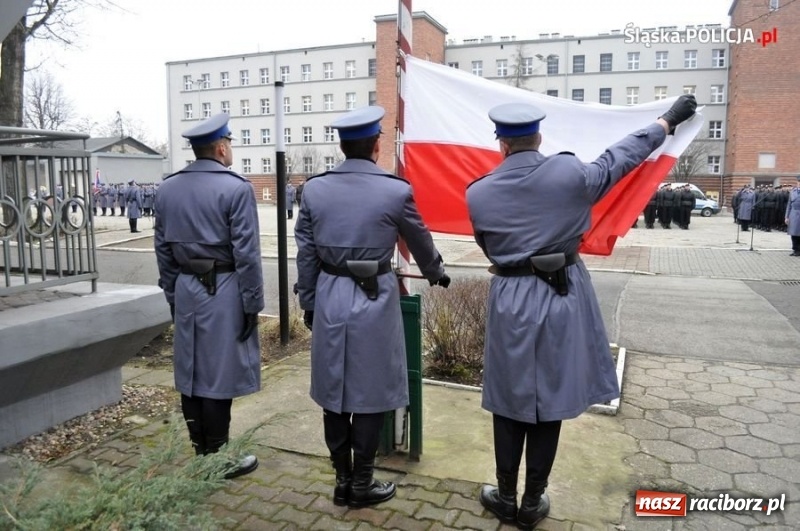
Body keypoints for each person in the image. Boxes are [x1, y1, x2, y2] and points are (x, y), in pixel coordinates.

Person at [465, 95, 696, 529]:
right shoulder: (569, 173)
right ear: (539, 137)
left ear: (501, 143)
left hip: (512, 296)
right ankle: (533, 502)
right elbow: (622, 156)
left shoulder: (478, 192)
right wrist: (667, 122)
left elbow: (487, 245)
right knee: (548, 399)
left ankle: (506, 495)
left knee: (510, 400)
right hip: (561, 294)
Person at [294, 105, 451, 509]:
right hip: (374, 298)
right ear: (377, 145)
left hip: (330, 293)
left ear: (343, 147)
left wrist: (309, 302)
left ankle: (342, 481)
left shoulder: (314, 189)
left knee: (334, 391)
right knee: (368, 390)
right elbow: (420, 241)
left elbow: (306, 254)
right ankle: (361, 483)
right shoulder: (395, 190)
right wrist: (435, 272)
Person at [154, 113, 263, 479]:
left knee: (192, 371)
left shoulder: (167, 188)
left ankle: (201, 451)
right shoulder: (236, 188)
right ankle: (218, 458)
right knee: (217, 373)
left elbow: (163, 250)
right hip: (224, 286)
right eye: (229, 142)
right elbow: (247, 253)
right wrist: (252, 304)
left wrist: (173, 293)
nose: (230, 148)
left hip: (186, 286)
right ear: (221, 147)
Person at [786, 176, 800, 256]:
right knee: (793, 233)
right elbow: (789, 205)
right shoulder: (793, 192)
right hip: (793, 214)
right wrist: (786, 217)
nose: (799, 183)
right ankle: (795, 249)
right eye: (798, 182)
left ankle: (799, 250)